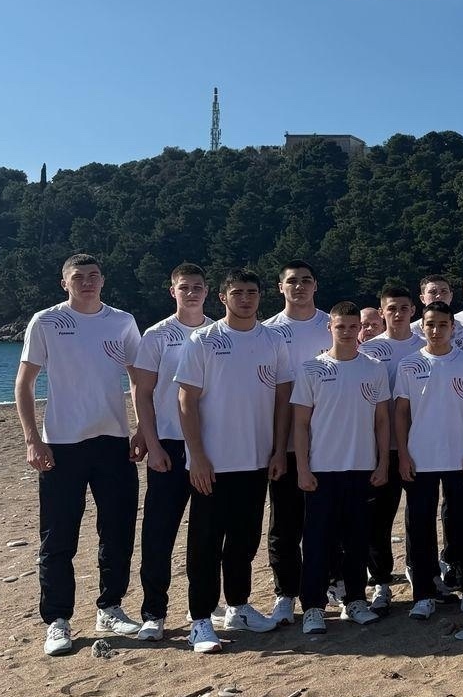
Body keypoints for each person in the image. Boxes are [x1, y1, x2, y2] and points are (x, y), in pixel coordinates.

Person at [16, 253, 144, 657]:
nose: (87, 282)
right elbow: (24, 384)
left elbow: (139, 380)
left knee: (118, 530)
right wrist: (32, 440)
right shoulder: (46, 321)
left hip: (113, 441)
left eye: (93, 276)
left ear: (103, 280)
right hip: (62, 444)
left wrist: (143, 429)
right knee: (58, 536)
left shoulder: (121, 321)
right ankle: (57, 620)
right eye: (78, 277)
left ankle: (110, 607)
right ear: (64, 283)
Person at [175, 268, 293, 654]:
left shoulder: (273, 340)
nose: (245, 299)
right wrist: (197, 456)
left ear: (260, 296)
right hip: (212, 463)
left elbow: (282, 399)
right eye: (238, 292)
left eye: (252, 292)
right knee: (205, 542)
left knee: (245, 539)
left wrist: (279, 450)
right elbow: (186, 401)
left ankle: (238, 606)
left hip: (256, 460)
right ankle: (200, 620)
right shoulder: (204, 340)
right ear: (223, 297)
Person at [290, 302, 388, 632]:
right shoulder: (311, 369)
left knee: (357, 540)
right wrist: (303, 468)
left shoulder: (374, 368)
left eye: (352, 326)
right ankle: (313, 607)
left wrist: (383, 462)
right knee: (318, 541)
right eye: (340, 326)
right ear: (329, 328)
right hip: (322, 470)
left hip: (361, 468)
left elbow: (382, 421)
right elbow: (300, 424)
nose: (346, 332)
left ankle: (355, 600)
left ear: (360, 329)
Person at [130, 262, 210, 643]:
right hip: (169, 447)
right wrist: (152, 442)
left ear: (207, 291)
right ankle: (153, 612)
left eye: (197, 287)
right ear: (172, 291)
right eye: (184, 287)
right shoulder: (157, 335)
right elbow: (142, 393)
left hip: (210, 448)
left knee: (206, 535)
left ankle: (204, 610)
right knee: (159, 533)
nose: (191, 293)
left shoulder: (217, 334)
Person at [395, 302, 463, 619]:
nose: (436, 330)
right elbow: (401, 413)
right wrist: (403, 453)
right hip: (419, 459)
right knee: (420, 528)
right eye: (430, 324)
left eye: (442, 325)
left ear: (452, 327)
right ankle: (424, 594)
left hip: (459, 457)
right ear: (422, 327)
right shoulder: (409, 364)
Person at [261, 261, 332, 626]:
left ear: (315, 285)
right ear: (281, 287)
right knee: (285, 525)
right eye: (292, 281)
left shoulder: (332, 325)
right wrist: (276, 448)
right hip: (285, 445)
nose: (300, 287)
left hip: (331, 444)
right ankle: (286, 593)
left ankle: (329, 586)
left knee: (327, 522)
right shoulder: (267, 331)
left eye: (306, 280)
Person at [357, 284, 424, 612]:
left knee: (420, 516)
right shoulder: (369, 351)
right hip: (382, 448)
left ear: (413, 311)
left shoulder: (426, 347)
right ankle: (381, 582)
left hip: (421, 446)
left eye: (403, 308)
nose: (398, 314)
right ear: (381, 313)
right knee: (379, 520)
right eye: (391, 309)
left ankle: (421, 574)